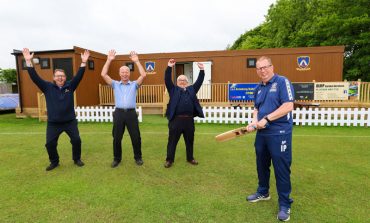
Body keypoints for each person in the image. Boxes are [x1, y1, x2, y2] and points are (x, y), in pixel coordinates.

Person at [22, 48, 90, 171]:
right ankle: (54, 162)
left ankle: (77, 159)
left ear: (65, 77)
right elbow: (34, 77)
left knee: (76, 140)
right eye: (58, 76)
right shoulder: (47, 87)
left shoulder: (70, 85)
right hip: (54, 123)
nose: (60, 78)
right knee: (50, 144)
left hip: (70, 121)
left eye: (62, 76)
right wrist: (28, 61)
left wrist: (84, 62)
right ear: (53, 78)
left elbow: (79, 76)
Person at [245, 56, 295, 221]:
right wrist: (254, 121)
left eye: (265, 67)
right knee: (261, 164)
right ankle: (263, 192)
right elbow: (256, 109)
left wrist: (266, 120)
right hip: (262, 134)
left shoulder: (282, 82)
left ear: (272, 67)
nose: (262, 71)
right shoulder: (258, 88)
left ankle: (285, 204)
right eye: (259, 68)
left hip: (279, 133)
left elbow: (288, 106)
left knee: (281, 168)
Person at [101, 50, 146, 168]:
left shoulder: (134, 84)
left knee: (136, 137)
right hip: (119, 114)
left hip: (131, 114)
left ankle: (138, 157)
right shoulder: (115, 84)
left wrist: (136, 61)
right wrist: (109, 60)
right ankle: (117, 159)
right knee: (117, 138)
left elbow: (143, 75)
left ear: (129, 73)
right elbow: (103, 74)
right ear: (119, 73)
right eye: (122, 72)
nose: (125, 74)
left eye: (126, 72)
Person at [164, 59, 205, 168]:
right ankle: (169, 160)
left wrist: (202, 70)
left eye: (184, 80)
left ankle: (190, 158)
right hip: (175, 121)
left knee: (189, 141)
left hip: (189, 121)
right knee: (172, 141)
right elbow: (167, 79)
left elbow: (199, 82)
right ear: (177, 82)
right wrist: (169, 67)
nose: (182, 81)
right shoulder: (173, 90)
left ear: (187, 82)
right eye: (180, 80)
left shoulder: (192, 90)